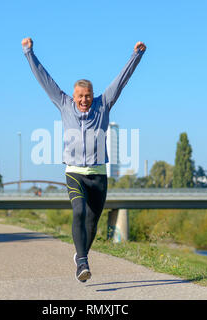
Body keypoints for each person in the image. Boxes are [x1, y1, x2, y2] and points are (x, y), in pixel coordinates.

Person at [22, 37, 146, 282]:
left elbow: (121, 81)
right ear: (73, 95)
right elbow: (44, 79)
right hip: (75, 172)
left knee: (92, 223)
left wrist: (136, 56)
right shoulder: (64, 103)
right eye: (80, 95)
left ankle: (81, 255)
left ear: (92, 94)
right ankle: (82, 262)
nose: (83, 99)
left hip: (98, 174)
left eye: (87, 95)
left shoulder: (104, 104)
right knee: (78, 211)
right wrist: (29, 52)